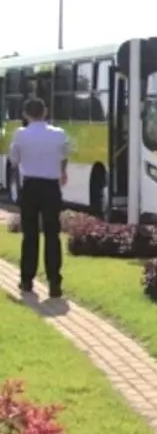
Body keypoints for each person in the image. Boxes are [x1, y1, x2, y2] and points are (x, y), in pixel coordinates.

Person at [9, 97, 69, 298]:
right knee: (52, 234)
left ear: (26, 114)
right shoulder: (58, 134)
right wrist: (62, 172)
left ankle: (27, 280)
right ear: (45, 112)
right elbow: (64, 157)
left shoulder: (20, 134)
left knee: (30, 235)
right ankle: (54, 283)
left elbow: (14, 160)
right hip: (51, 187)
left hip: (31, 185)